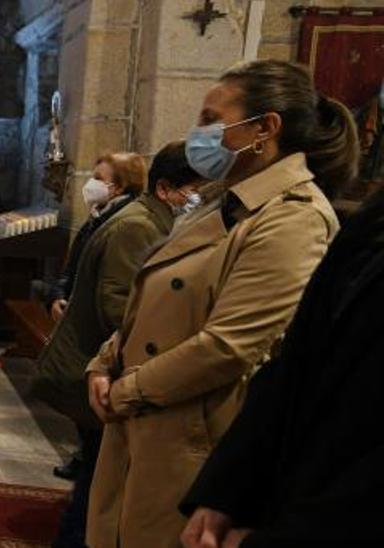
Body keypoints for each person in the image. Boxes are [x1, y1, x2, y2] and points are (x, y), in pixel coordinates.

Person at [84, 59, 355, 548]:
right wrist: (103, 363)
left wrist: (125, 391)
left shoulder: (293, 218)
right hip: (146, 422)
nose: (199, 133)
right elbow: (152, 303)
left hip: (194, 439)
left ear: (265, 128)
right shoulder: (221, 202)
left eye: (212, 120)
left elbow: (228, 347)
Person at [180, 188, 380, 548]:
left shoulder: (299, 218)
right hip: (290, 489)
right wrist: (225, 490)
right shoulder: (372, 223)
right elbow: (295, 363)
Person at [33, 142, 204, 548]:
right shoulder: (138, 226)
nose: (201, 199)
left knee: (96, 474)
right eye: (197, 189)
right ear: (166, 189)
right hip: (96, 365)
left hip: (96, 362)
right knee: (96, 479)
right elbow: (119, 302)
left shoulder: (142, 220)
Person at [48, 153, 147, 324]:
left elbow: (113, 288)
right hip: (72, 310)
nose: (90, 184)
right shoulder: (96, 217)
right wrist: (58, 297)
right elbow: (72, 267)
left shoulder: (126, 226)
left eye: (97, 178)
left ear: (118, 188)